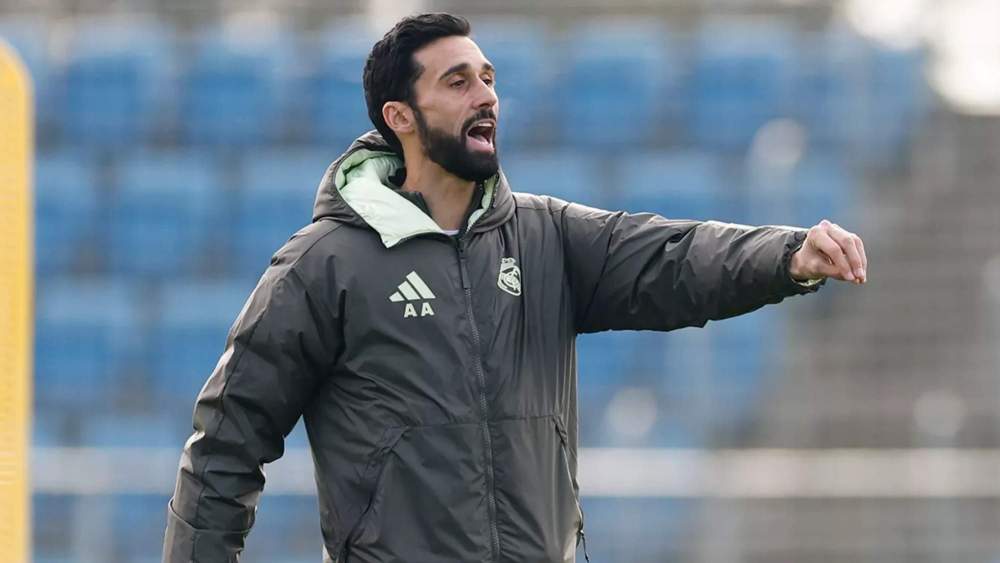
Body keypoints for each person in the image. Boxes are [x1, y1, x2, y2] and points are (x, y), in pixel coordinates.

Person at [162, 12, 867, 563]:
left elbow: (673, 258)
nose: (487, 96)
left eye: (489, 76)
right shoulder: (323, 265)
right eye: (458, 82)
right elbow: (225, 444)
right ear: (399, 118)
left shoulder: (546, 235)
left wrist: (787, 255)